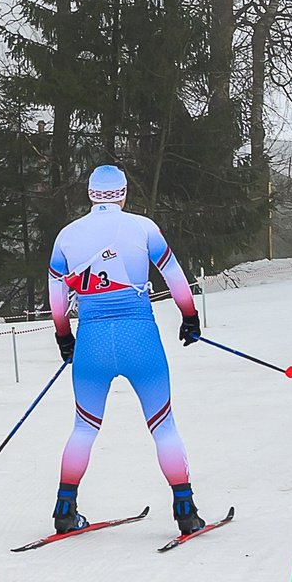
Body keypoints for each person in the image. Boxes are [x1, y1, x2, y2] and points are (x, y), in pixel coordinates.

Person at [47, 165, 206, 537]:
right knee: (163, 425)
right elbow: (175, 277)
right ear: (122, 193)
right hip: (140, 337)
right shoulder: (143, 227)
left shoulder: (67, 236)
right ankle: (185, 509)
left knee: (83, 427)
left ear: (90, 194)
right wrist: (190, 317)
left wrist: (63, 337)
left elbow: (57, 295)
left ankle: (64, 508)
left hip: (92, 341)